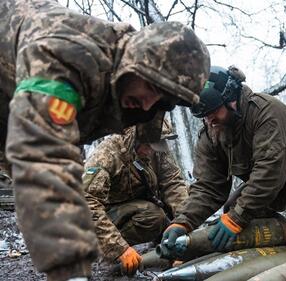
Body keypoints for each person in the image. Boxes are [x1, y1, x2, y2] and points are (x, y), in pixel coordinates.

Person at [0, 0, 210, 280]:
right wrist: (72, 269)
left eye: (162, 99)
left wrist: (185, 230)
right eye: (150, 86)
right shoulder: (68, 56)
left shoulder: (129, 103)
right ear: (134, 62)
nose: (148, 104)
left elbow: (172, 184)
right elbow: (44, 158)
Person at [163, 66, 286, 255]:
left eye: (213, 111)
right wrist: (183, 221)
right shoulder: (211, 134)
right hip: (272, 184)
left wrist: (237, 218)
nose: (209, 120)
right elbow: (209, 187)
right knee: (234, 208)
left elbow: (270, 170)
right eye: (204, 115)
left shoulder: (267, 111)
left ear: (230, 99)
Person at [83, 120, 188, 275]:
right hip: (105, 214)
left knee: (189, 194)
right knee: (153, 215)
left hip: (142, 202)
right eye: (148, 147)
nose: (151, 152)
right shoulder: (107, 155)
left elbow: (173, 183)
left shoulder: (157, 148)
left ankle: (165, 241)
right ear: (136, 139)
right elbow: (87, 202)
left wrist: (185, 225)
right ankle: (102, 251)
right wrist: (119, 248)